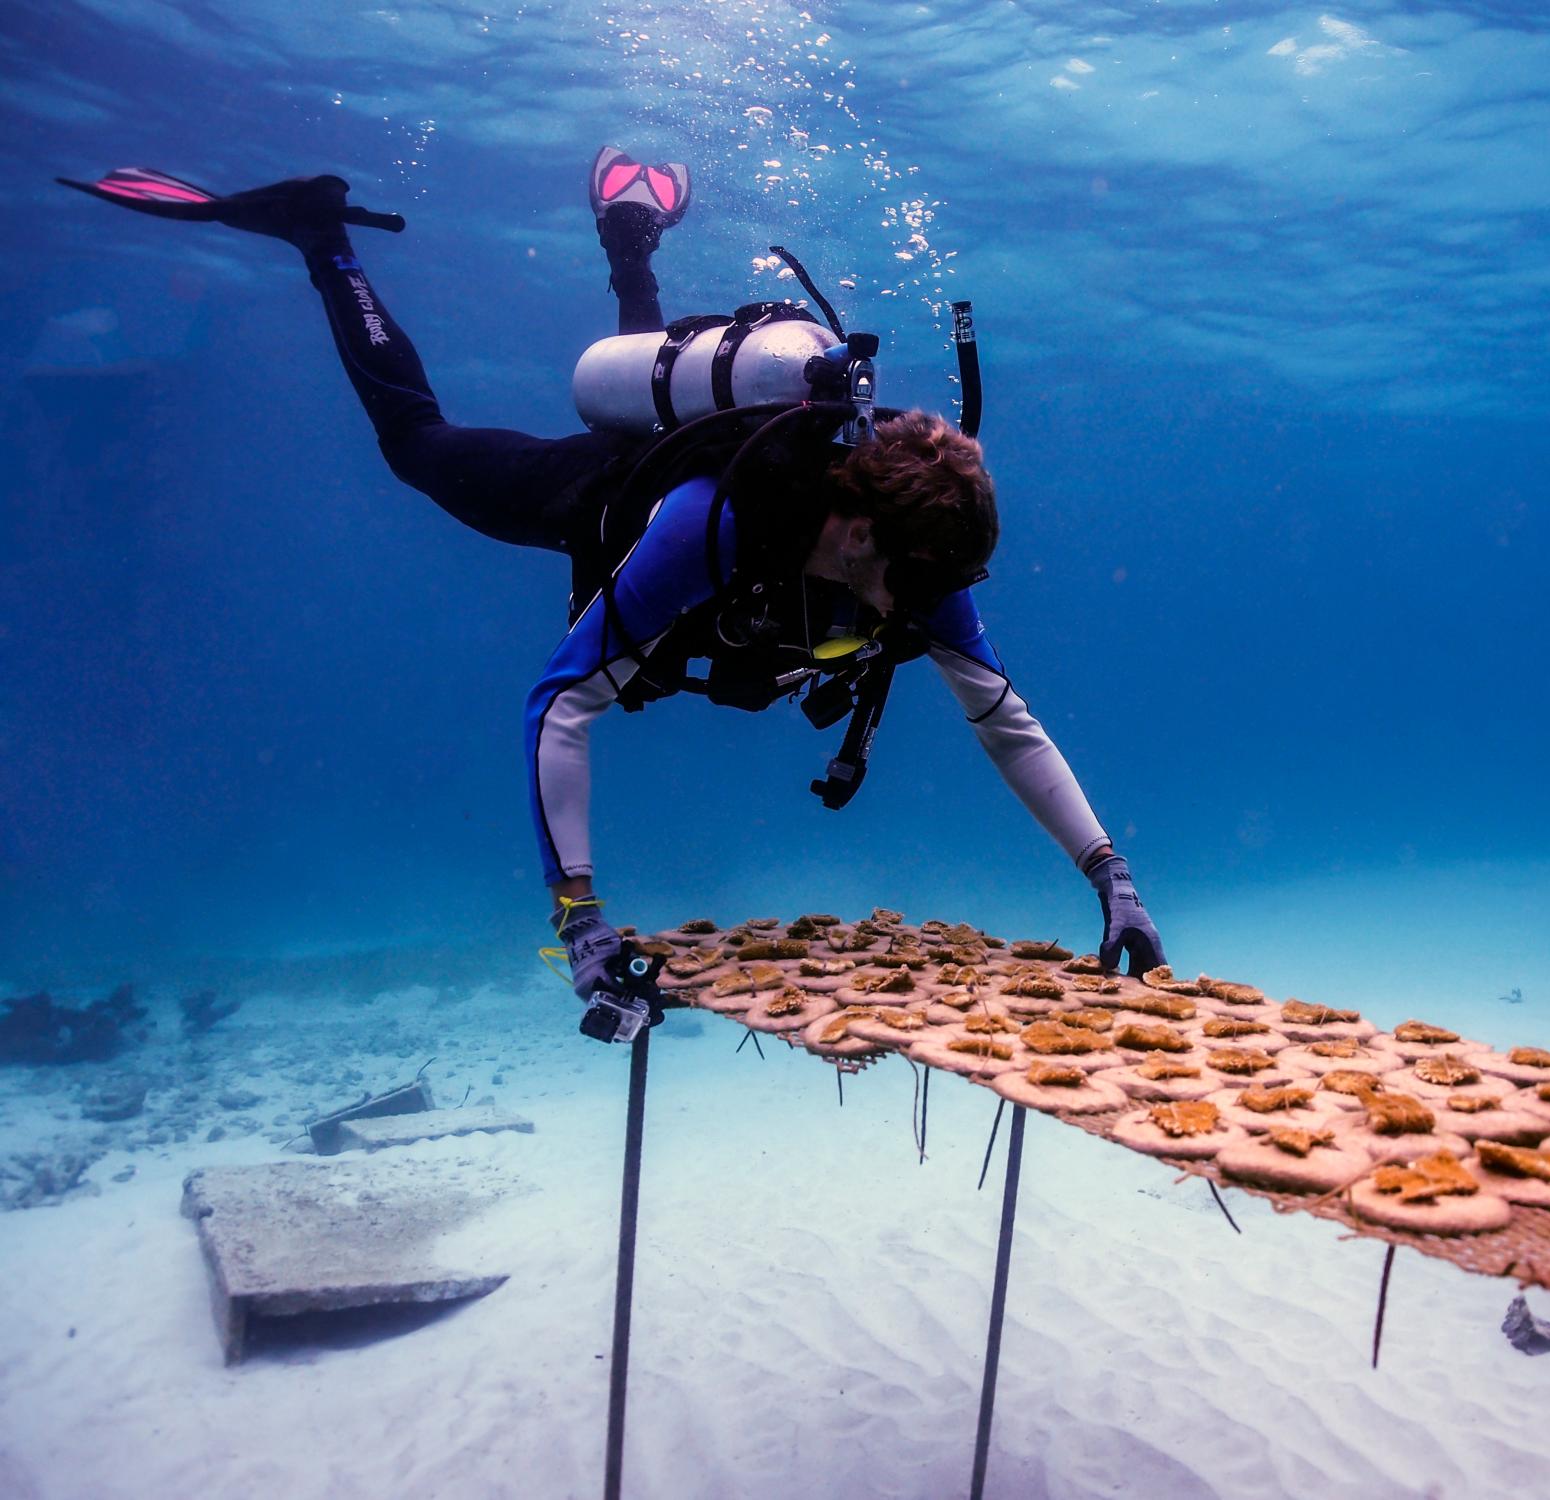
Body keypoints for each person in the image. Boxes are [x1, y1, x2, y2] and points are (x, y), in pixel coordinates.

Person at [61, 152, 1168, 1025]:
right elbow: (562, 702)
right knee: (416, 444)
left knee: (622, 376)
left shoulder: (913, 560)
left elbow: (1004, 722)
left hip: (726, 497)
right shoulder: (712, 527)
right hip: (598, 495)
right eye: (907, 586)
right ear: (852, 523)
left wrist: (1107, 874)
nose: (914, 615)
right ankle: (322, 239)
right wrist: (581, 918)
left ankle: (630, 240)